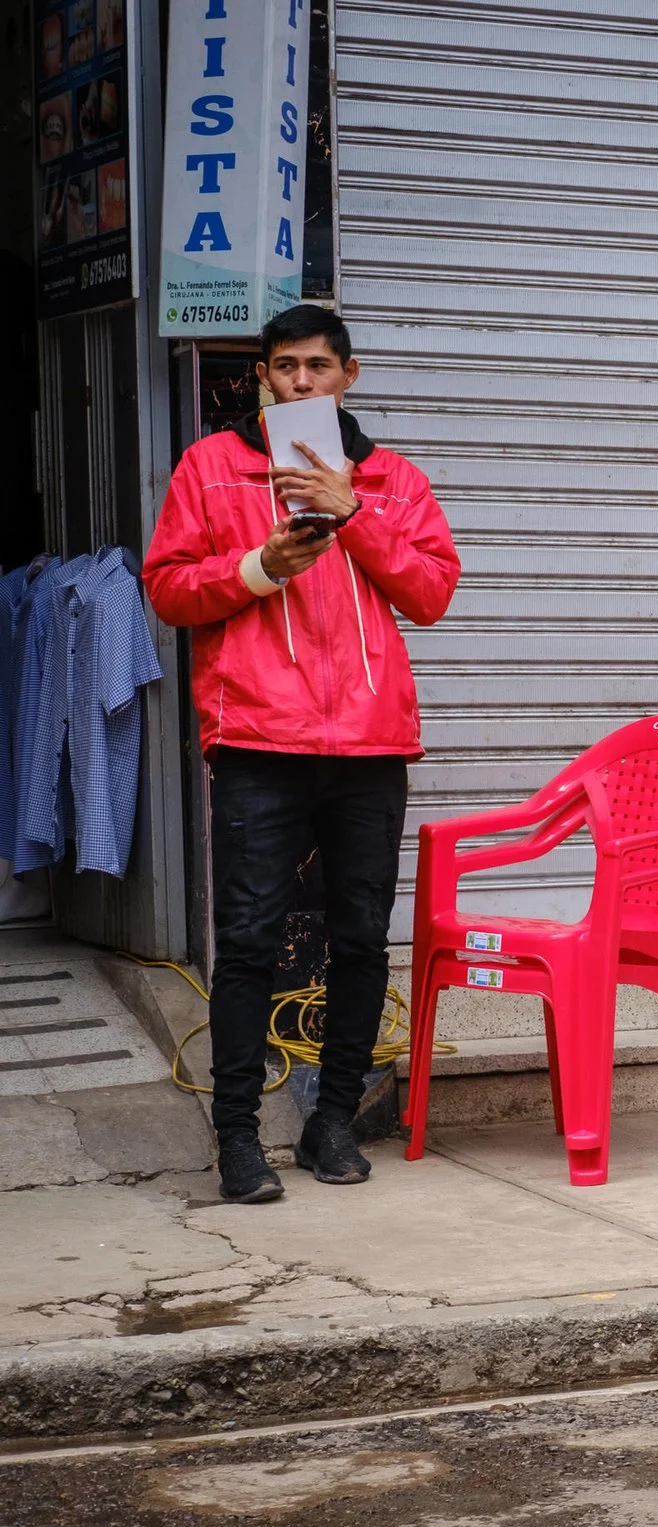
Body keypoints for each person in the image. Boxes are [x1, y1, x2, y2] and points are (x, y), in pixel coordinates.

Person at [143, 306, 461, 1204]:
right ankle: (238, 1141)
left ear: (348, 375)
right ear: (262, 376)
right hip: (256, 739)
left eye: (319, 366)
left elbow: (433, 591)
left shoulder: (392, 478)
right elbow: (166, 590)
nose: (300, 383)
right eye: (284, 368)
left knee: (359, 939)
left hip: (368, 743)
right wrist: (260, 567)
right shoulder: (213, 466)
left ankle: (333, 1125)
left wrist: (352, 513)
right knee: (246, 943)